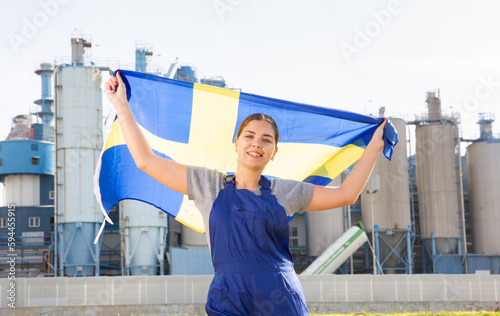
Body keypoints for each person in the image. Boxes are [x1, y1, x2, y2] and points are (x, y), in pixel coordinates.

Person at [105, 71, 387, 315]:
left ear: (274, 152)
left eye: (266, 140)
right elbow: (146, 160)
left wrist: (374, 146)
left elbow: (347, 194)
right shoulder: (208, 185)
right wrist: (122, 107)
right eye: (250, 136)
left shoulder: (285, 191)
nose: (257, 144)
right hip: (228, 299)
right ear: (237, 143)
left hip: (280, 298)